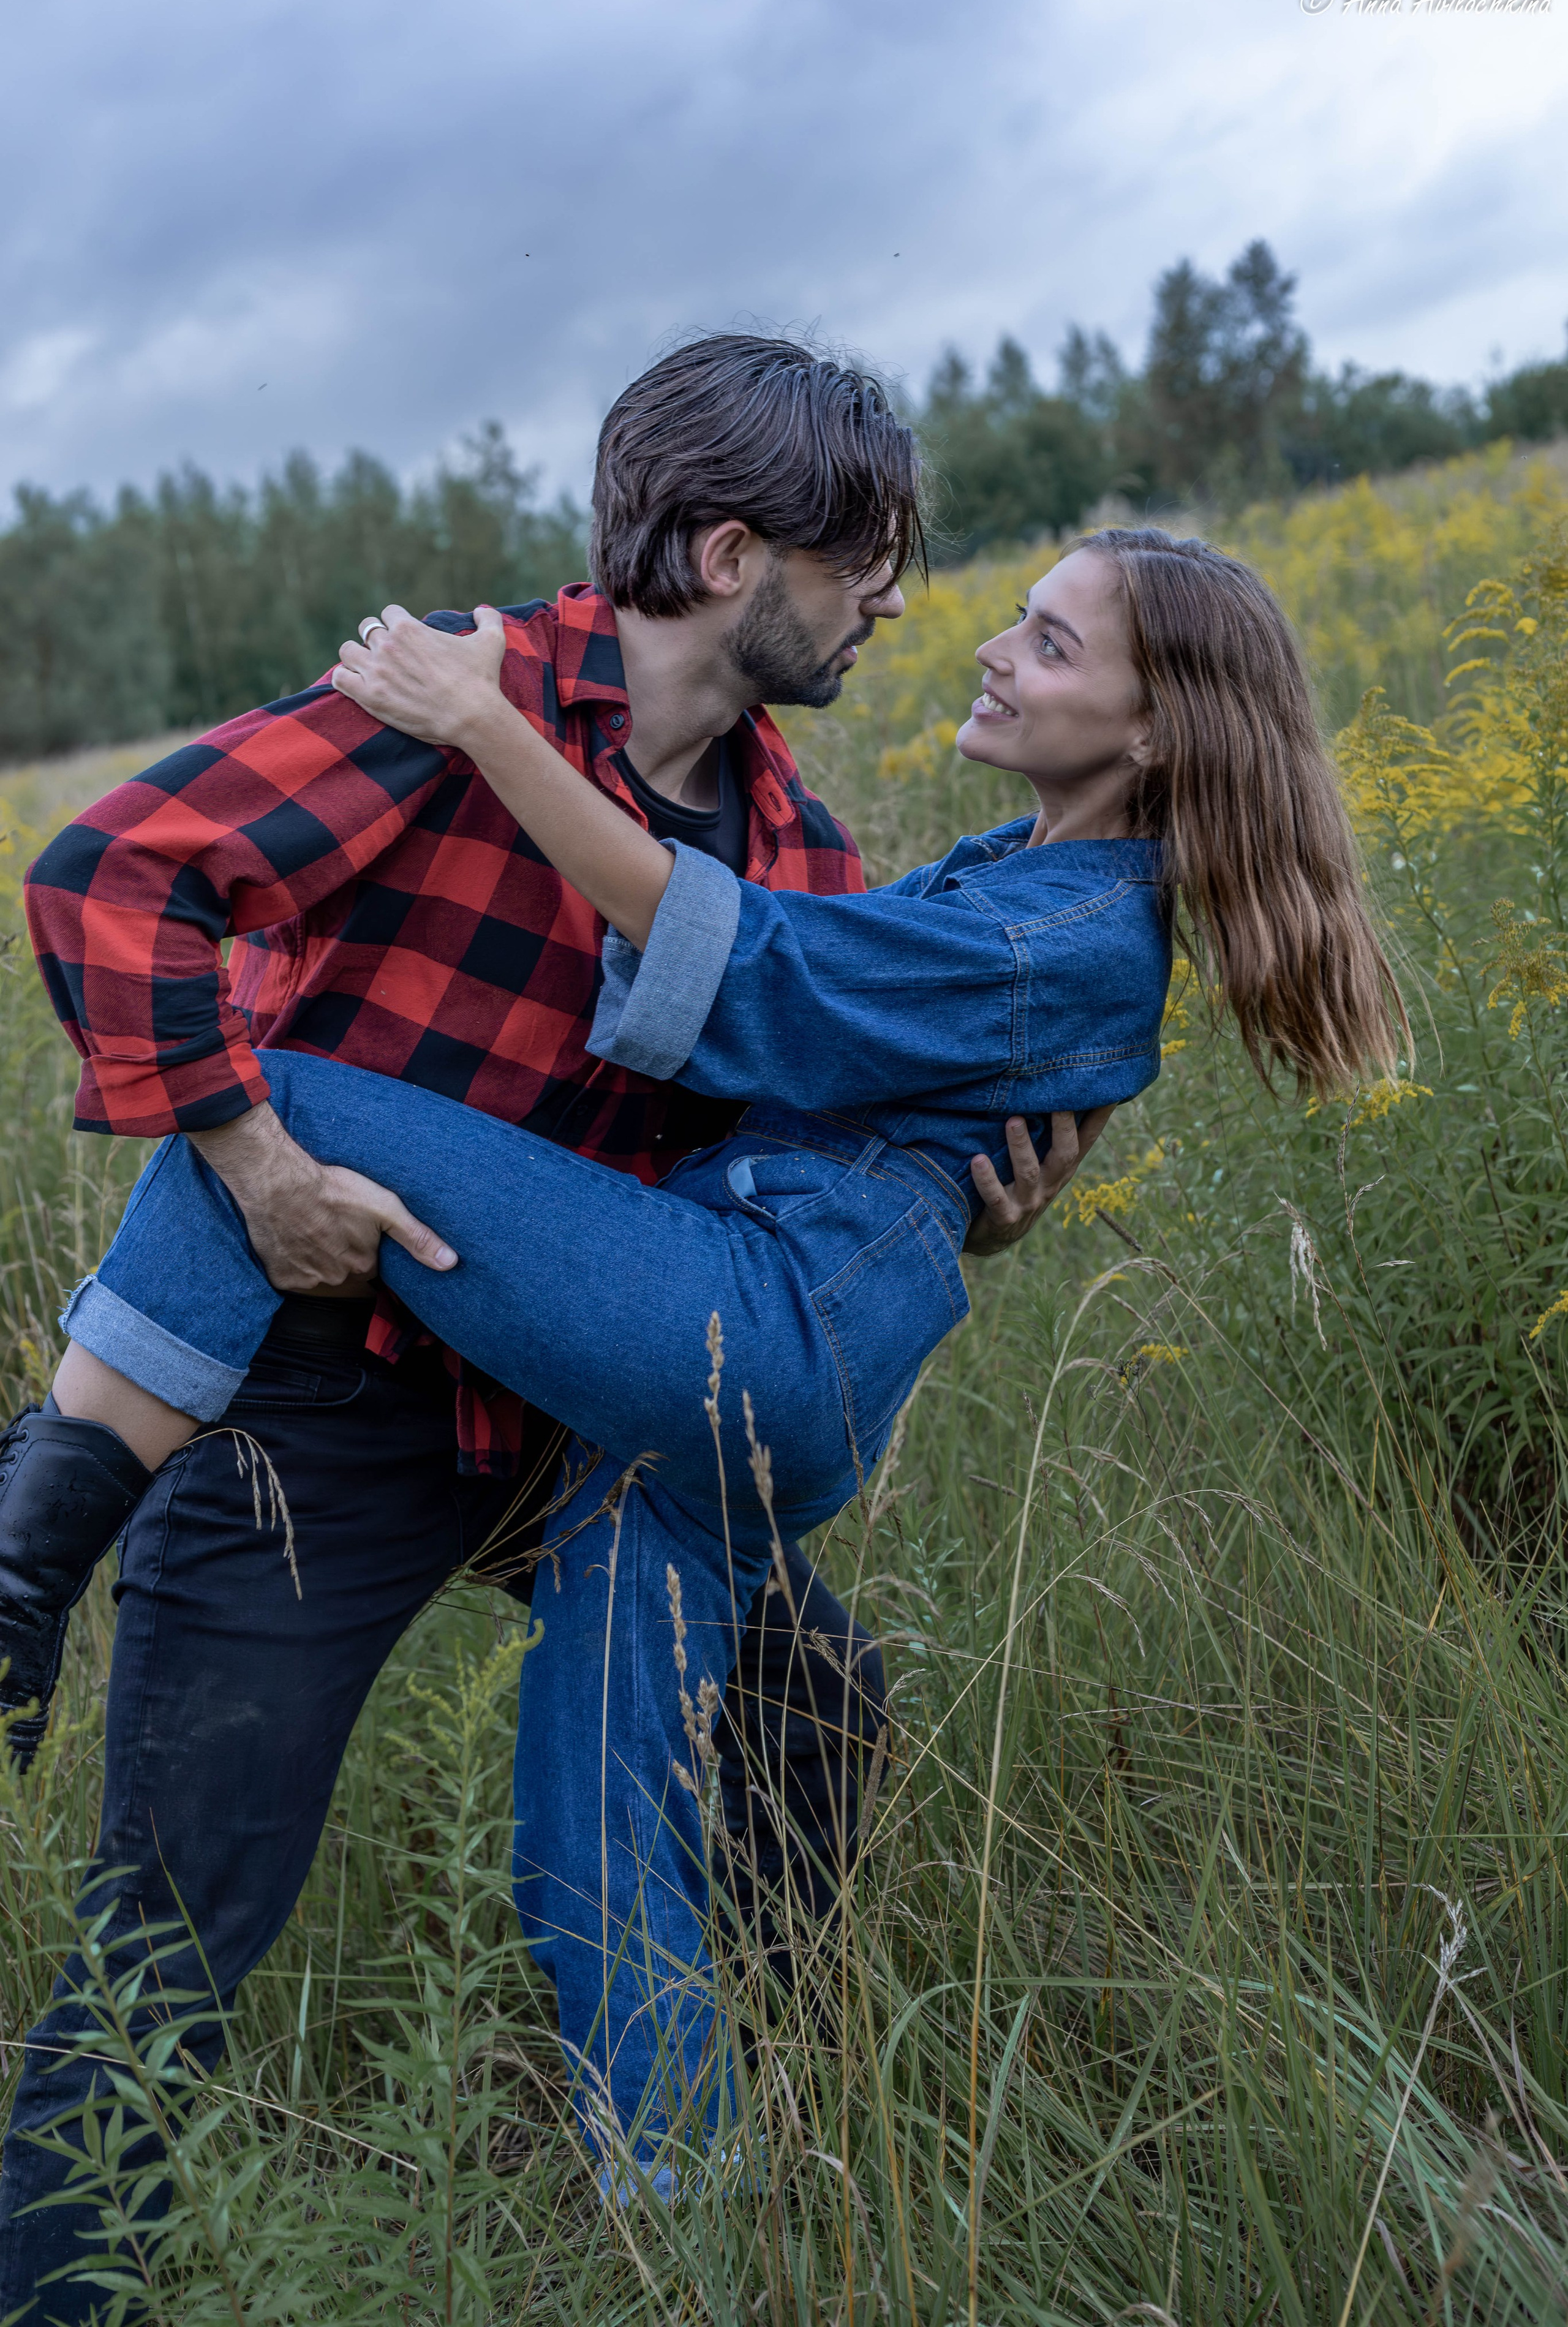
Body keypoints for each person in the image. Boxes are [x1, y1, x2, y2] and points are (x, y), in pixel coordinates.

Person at [7, 527, 1403, 2248]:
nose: (962, 638)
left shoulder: (1045, 923)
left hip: (746, 1332)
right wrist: (971, 1186)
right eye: (989, 616)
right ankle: (703, 2223)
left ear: (1162, 727)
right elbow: (838, 1074)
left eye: (1046, 645)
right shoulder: (997, 872)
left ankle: (27, 1540)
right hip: (653, 1389)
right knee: (595, 1848)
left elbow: (768, 985)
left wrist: (488, 733)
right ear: (735, 553)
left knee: (281, 1099)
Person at [2, 332, 1057, 2314]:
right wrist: (252, 1160)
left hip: (560, 1416)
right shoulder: (447, 697)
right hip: (316, 1400)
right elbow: (111, 877)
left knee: (811, 1704)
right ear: (734, 551)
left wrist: (961, 1216)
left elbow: (778, 1187)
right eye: (866, 561)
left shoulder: (797, 851)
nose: (894, 603)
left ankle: (753, 2151)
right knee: (177, 1932)